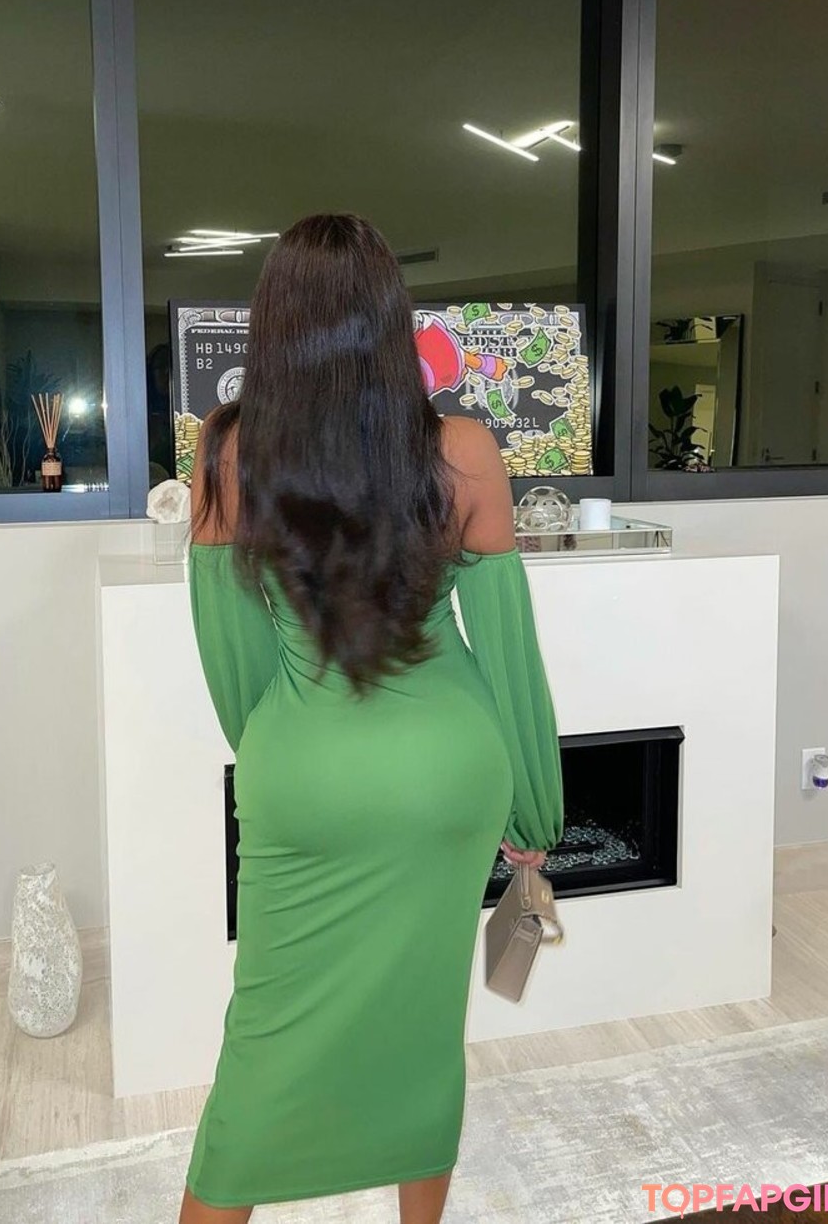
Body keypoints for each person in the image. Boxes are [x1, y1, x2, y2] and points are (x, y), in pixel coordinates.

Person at [182, 213, 564, 1224]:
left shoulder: (227, 454)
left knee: (263, 1038)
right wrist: (533, 808)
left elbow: (234, 662)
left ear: (275, 325)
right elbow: (508, 649)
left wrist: (288, 748)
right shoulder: (464, 452)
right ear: (393, 320)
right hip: (448, 775)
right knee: (423, 1025)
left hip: (305, 773)